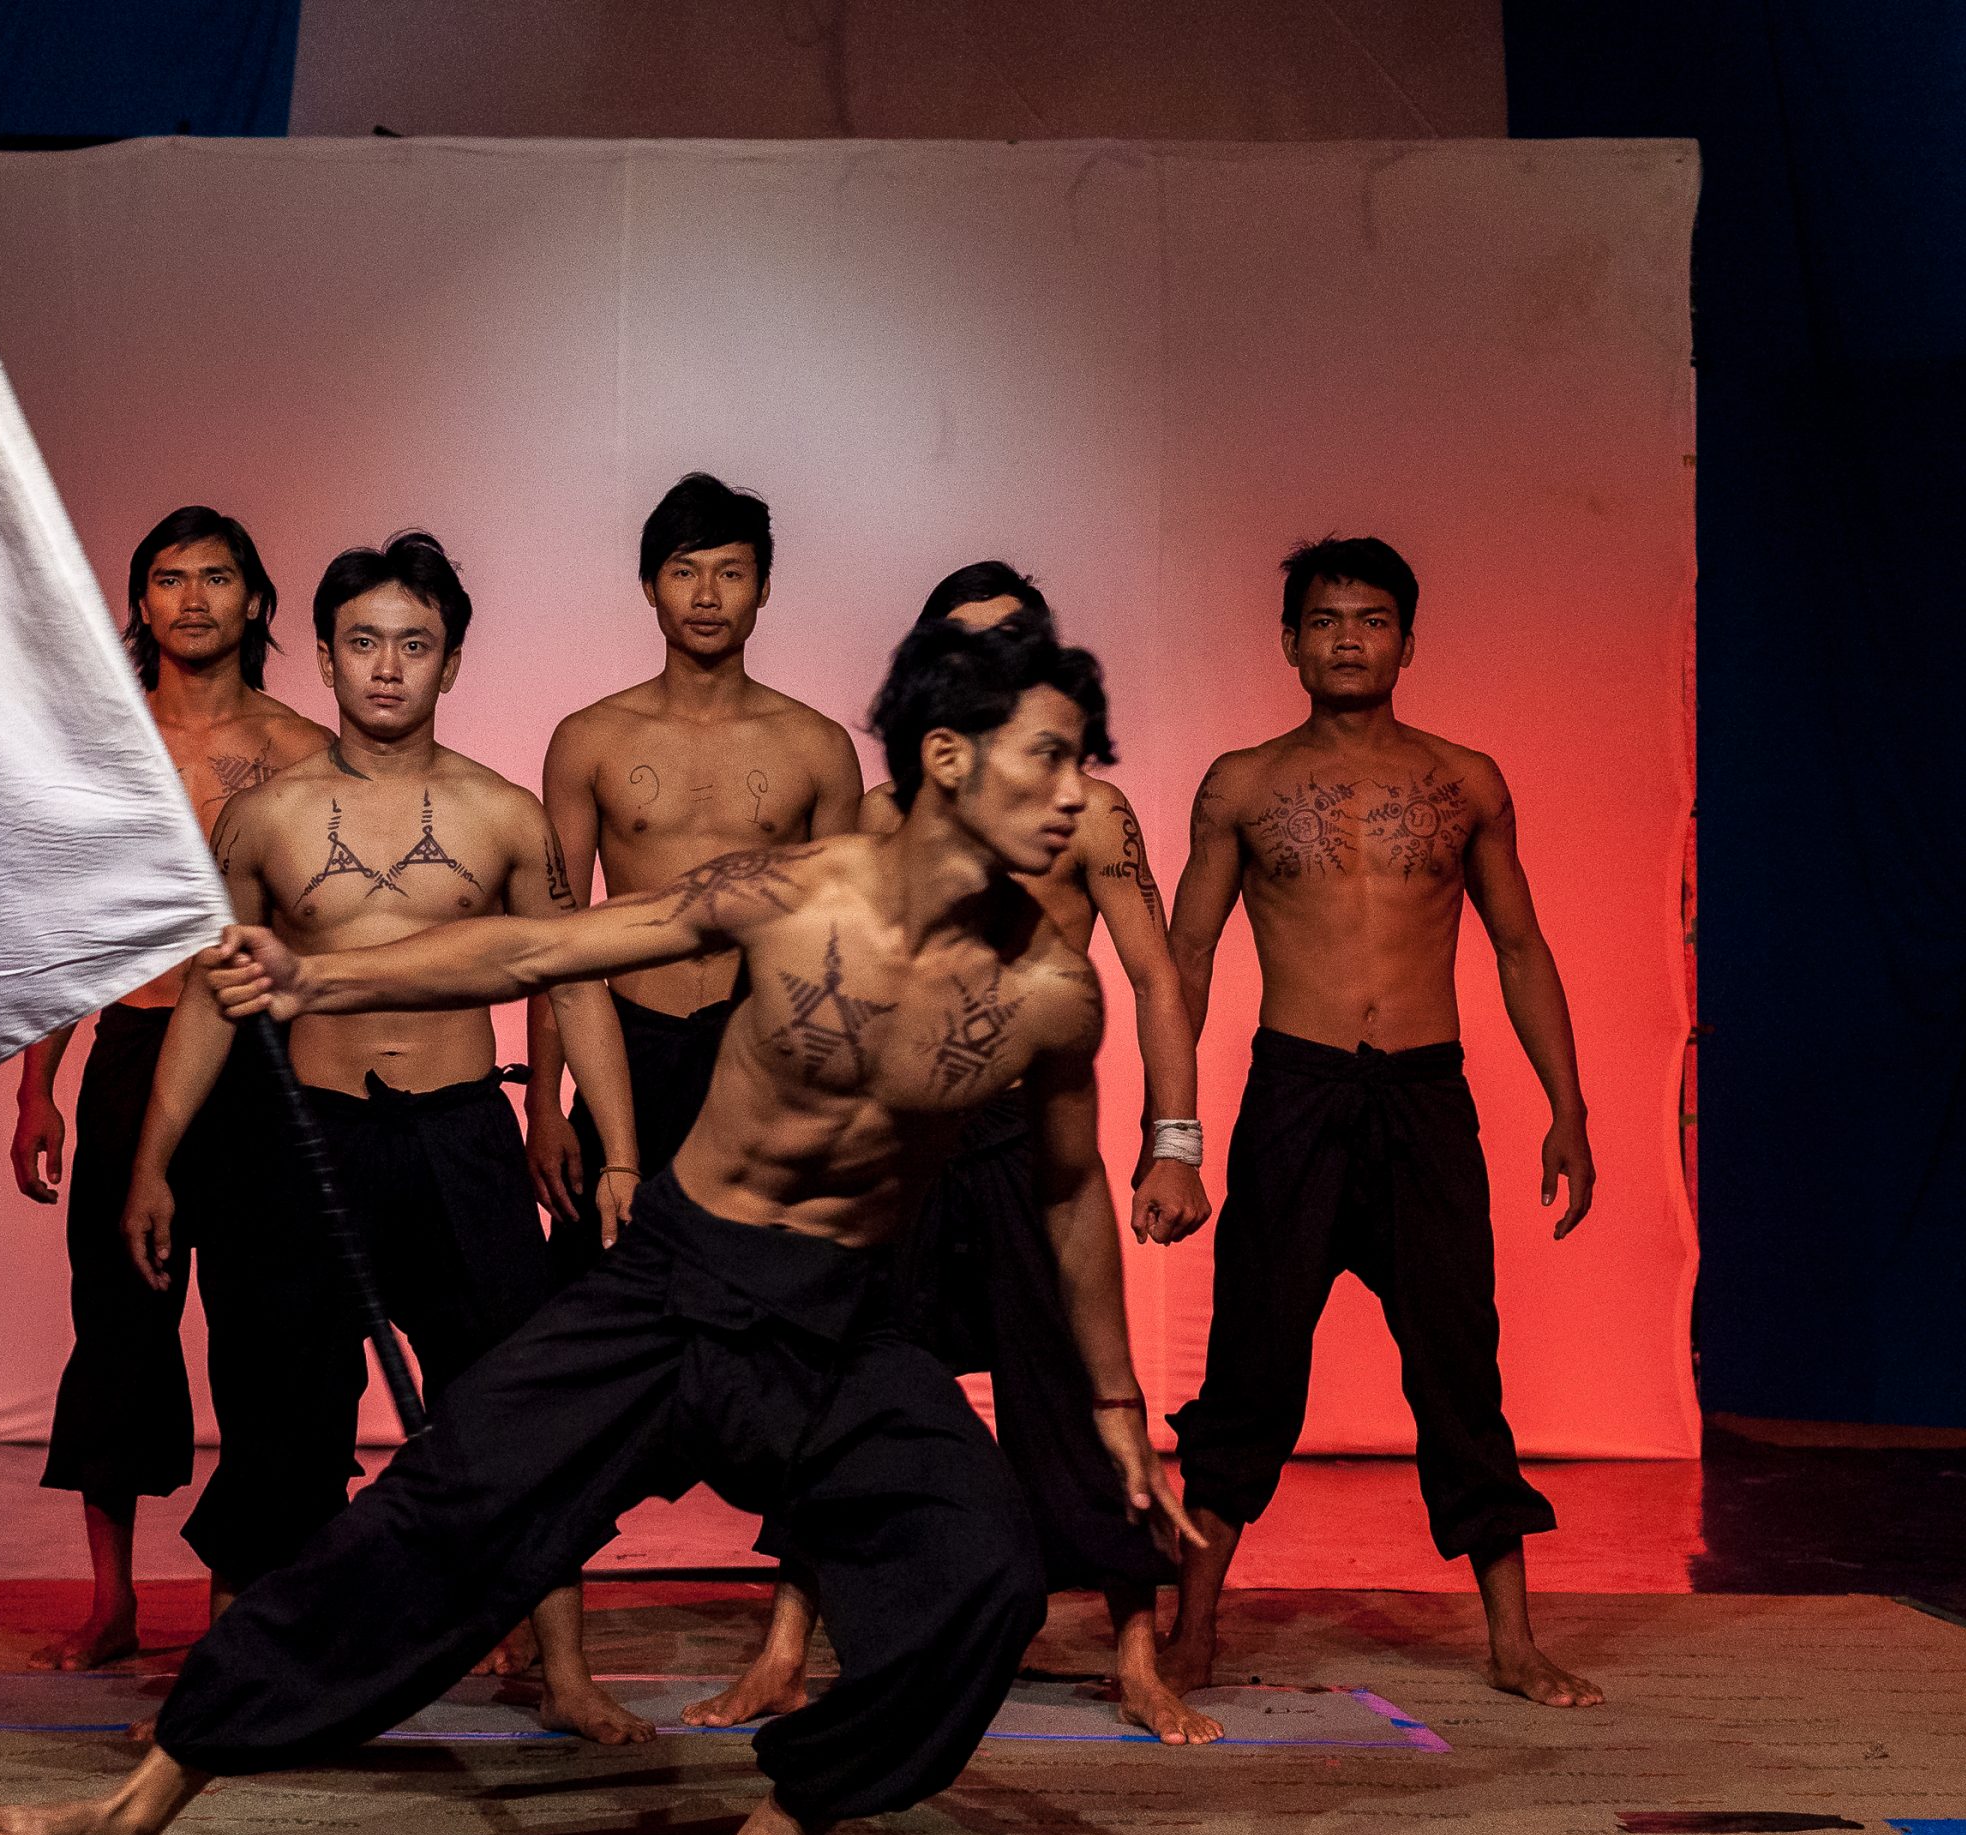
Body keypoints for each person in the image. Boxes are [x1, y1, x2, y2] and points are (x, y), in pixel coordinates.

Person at [0, 616, 1196, 1835]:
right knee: (435, 1521)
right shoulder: (796, 893)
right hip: (673, 1289)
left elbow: (1073, 1192)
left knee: (985, 1574)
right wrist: (322, 972)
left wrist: (1116, 1397)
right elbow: (537, 954)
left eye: (1088, 765)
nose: (1081, 796)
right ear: (951, 758)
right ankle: (141, 1805)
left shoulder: (1049, 995)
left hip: (839, 1325)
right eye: (1054, 760)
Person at [120, 531, 650, 1742]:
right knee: (277, 1406)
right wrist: (155, 1158)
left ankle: (559, 1667)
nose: (388, 667)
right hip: (307, 1140)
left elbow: (573, 983)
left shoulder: (504, 813)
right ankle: (235, 1671)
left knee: (515, 1400)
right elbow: (213, 990)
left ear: (451, 662)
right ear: (322, 655)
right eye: (364, 642)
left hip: (458, 1140)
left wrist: (612, 1147)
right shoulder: (266, 819)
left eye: (415, 644)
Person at [688, 564, 1221, 1744]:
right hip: (916, 1138)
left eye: (1009, 645)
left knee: (1076, 1392)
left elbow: (1153, 977)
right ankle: (786, 1647)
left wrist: (1172, 1144)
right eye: (965, 649)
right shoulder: (891, 819)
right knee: (847, 1381)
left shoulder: (1089, 811)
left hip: (1035, 1136)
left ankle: (1135, 1654)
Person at [1160, 535, 1601, 1707]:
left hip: (1423, 1092)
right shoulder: (1241, 783)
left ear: (1408, 638)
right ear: (1290, 640)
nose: (1348, 637)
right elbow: (1185, 959)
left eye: (1370, 618)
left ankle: (1512, 1636)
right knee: (1252, 1359)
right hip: (1295, 1090)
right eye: (1324, 618)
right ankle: (1194, 1625)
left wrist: (1569, 1105)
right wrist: (1174, 1132)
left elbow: (1519, 944)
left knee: (1460, 1358)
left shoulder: (1466, 780)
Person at [6, 507, 332, 1673]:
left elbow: (333, 927)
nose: (192, 597)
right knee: (121, 1328)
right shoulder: (103, 742)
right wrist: (37, 1085)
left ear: (256, 600)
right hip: (134, 1046)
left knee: (266, 1332)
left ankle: (237, 1590)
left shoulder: (302, 748)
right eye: (168, 578)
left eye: (217, 577)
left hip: (259, 1064)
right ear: (139, 603)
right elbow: (64, 930)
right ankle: (112, 1598)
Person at [525, 473, 867, 1272]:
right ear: (650, 586)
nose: (707, 594)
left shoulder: (816, 747)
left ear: (765, 587)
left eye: (731, 571)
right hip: (626, 1048)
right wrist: (544, 1101)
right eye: (684, 570)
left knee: (758, 1318)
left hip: (763, 1054)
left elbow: (839, 952)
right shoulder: (590, 739)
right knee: (601, 1303)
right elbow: (557, 939)